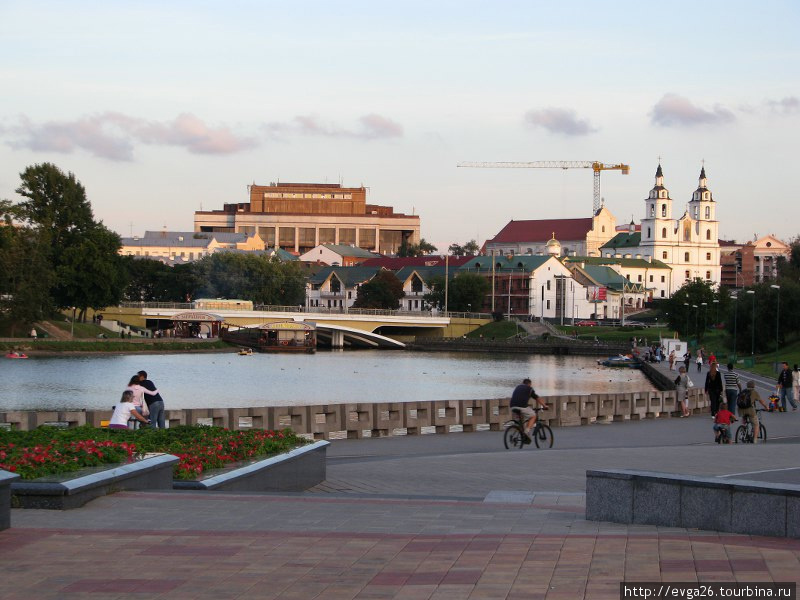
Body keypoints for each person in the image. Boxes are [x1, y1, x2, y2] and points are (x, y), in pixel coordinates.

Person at [510, 378, 549, 443]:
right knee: (533, 416)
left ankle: (522, 434)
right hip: (521, 406)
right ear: (530, 384)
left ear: (523, 383)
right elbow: (537, 398)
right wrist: (544, 406)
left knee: (523, 419)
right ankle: (526, 431)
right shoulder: (529, 389)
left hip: (512, 406)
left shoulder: (518, 387)